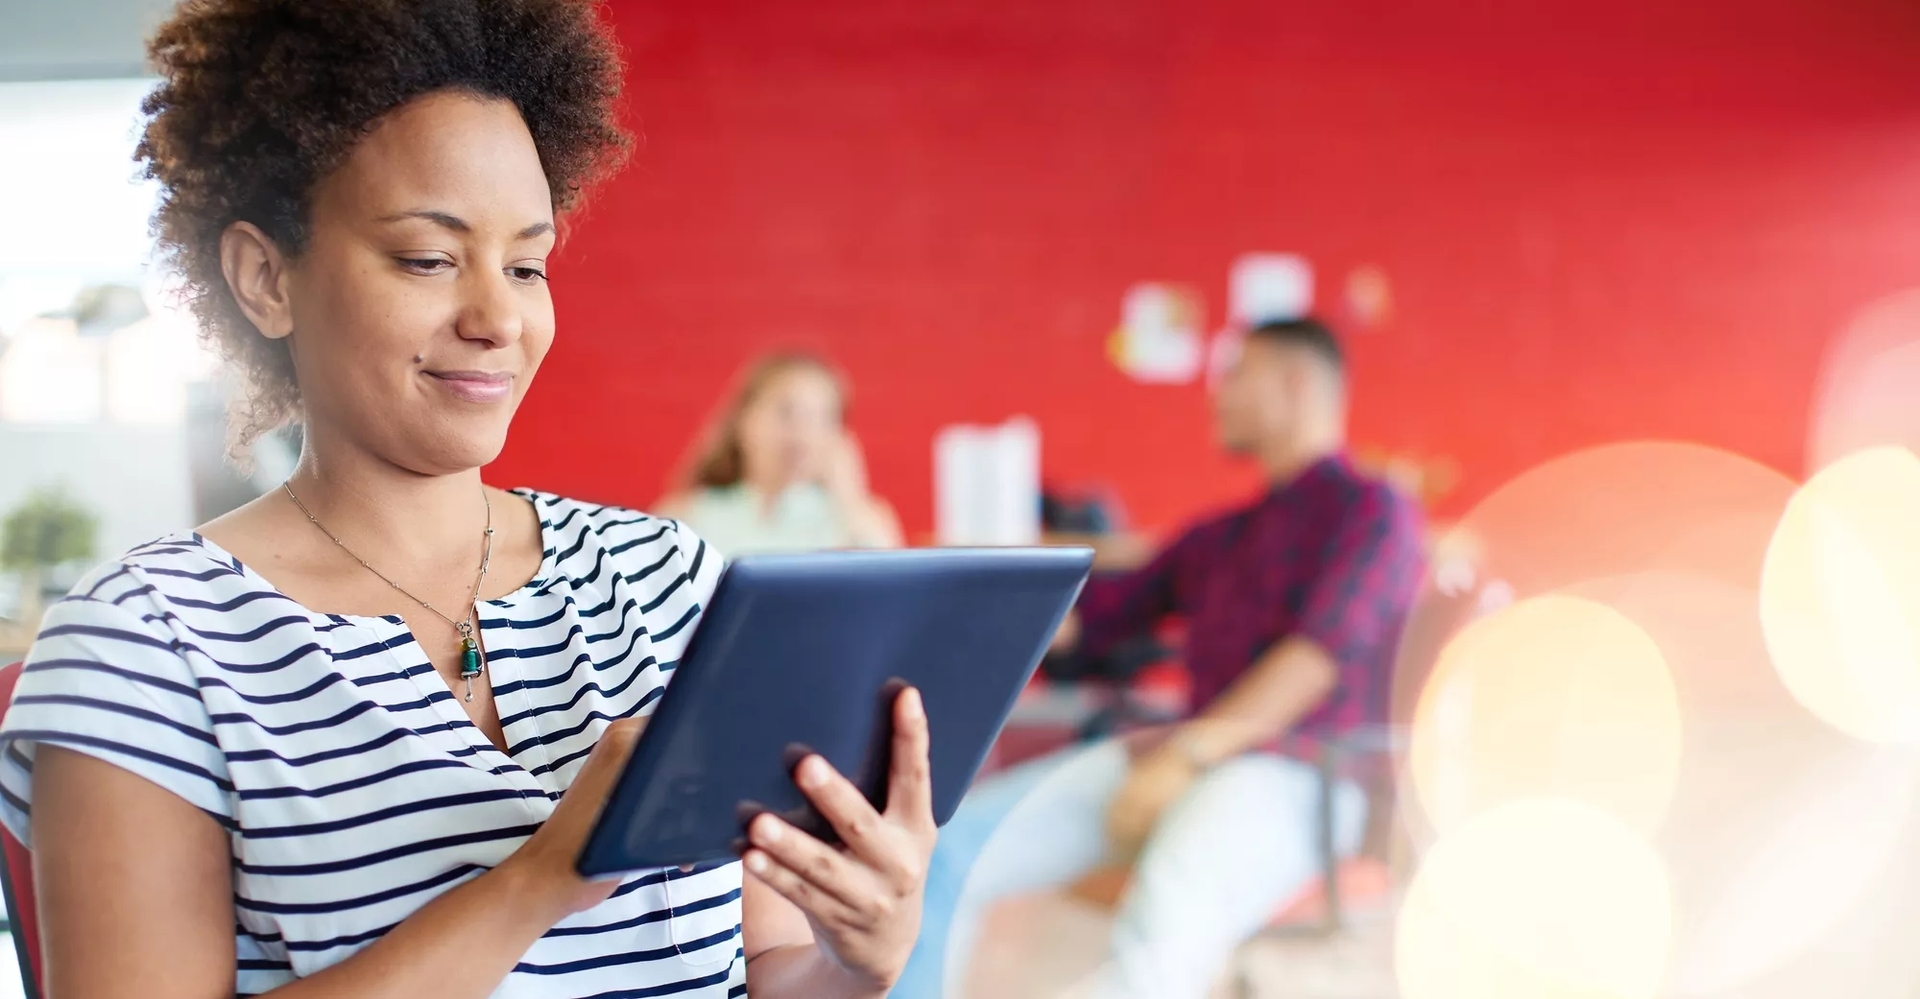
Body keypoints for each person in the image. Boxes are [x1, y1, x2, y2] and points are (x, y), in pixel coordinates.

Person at [0, 3, 934, 998]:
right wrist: (536, 882)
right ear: (266, 278)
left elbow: (771, 968)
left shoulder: (669, 580)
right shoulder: (146, 646)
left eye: (527, 265)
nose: (499, 318)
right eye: (429, 258)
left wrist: (854, 959)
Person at [894, 317, 1426, 999]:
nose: (1217, 394)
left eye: (1237, 374)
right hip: (1177, 759)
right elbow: (1098, 619)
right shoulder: (1225, 534)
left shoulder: (1374, 511)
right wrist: (984, 605)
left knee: (1163, 930)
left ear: (1296, 384)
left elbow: (1316, 656)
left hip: (1298, 774)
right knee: (946, 852)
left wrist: (1185, 757)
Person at [658, 352, 902, 557]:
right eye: (787, 413)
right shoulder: (682, 517)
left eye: (822, 418)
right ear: (743, 420)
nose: (802, 432)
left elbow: (891, 595)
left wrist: (850, 498)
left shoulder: (863, 518)